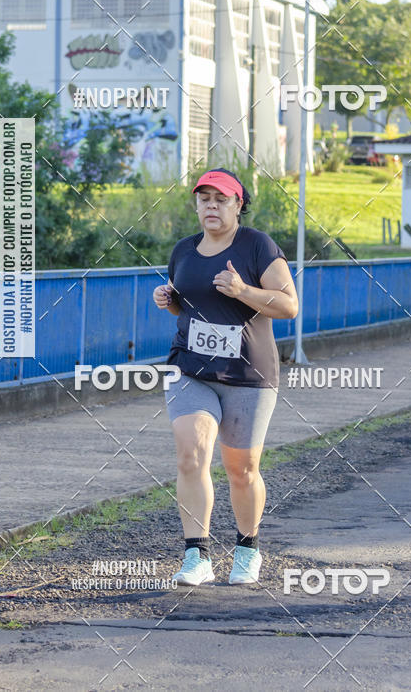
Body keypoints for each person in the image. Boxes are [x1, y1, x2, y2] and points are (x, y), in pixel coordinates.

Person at [152, 168, 298, 586]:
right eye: (204, 198)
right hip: (190, 368)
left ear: (238, 205)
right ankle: (195, 555)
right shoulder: (183, 250)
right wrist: (169, 300)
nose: (211, 206)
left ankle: (247, 548)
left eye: (221, 199)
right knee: (191, 454)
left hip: (248, 373)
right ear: (196, 205)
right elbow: (188, 306)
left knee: (242, 470)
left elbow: (289, 306)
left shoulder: (258, 247)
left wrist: (243, 291)